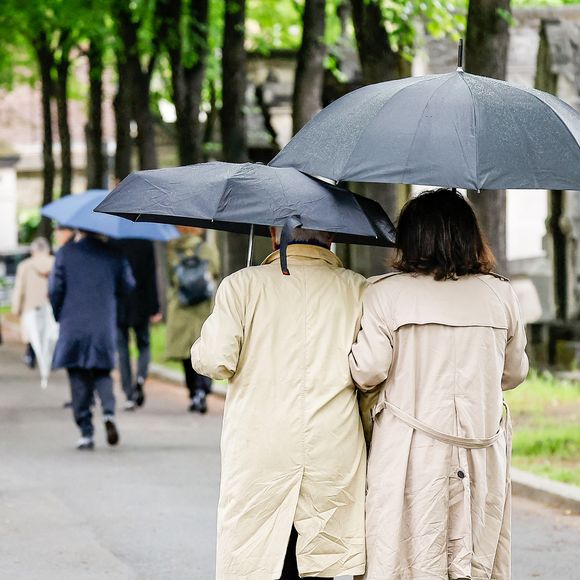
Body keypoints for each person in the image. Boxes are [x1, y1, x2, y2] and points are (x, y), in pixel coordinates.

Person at [349, 189, 529, 580]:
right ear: (469, 236)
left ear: (410, 238)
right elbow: (514, 373)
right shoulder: (500, 293)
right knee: (474, 553)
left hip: (410, 450)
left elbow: (368, 371)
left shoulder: (385, 293)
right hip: (479, 446)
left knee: (405, 554)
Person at [191, 228, 367, 580]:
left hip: (261, 443)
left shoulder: (242, 285)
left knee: (260, 555)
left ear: (274, 234)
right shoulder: (358, 288)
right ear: (331, 233)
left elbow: (215, 361)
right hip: (333, 441)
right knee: (319, 559)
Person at [49, 231, 135, 450]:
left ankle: (86, 431)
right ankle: (108, 412)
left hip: (73, 323)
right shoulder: (114, 253)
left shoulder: (66, 253)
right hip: (103, 322)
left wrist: (59, 314)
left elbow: (54, 288)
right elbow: (128, 285)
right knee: (102, 371)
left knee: (77, 375)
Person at [166, 226, 219, 413]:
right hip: (202, 308)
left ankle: (193, 391)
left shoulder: (172, 248)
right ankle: (203, 390)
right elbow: (215, 270)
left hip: (181, 307)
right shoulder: (205, 248)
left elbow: (171, 278)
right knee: (203, 348)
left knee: (186, 354)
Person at [116, 239, 162, 410]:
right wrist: (155, 308)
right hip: (141, 304)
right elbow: (151, 277)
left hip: (120, 306)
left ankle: (128, 393)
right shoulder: (146, 243)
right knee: (144, 344)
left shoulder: (115, 242)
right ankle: (141, 376)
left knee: (122, 350)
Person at [11, 237, 55, 368]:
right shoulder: (56, 263)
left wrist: (16, 308)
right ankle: (49, 358)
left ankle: (31, 356)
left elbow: (19, 289)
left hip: (30, 306)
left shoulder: (25, 265)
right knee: (49, 332)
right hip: (50, 305)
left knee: (33, 333)